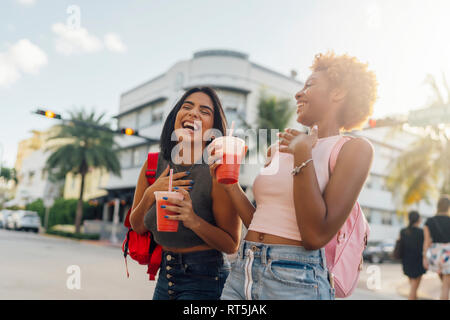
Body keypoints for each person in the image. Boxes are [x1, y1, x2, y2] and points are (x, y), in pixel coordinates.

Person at [214, 51, 377, 300]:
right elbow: (260, 220)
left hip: (295, 279)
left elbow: (315, 236)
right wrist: (230, 185)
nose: (298, 93)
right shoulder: (278, 148)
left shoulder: (353, 149)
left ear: (338, 93)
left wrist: (303, 153)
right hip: (243, 271)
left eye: (309, 85)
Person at [129, 87, 242, 300]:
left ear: (212, 130)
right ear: (176, 117)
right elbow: (137, 225)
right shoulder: (154, 164)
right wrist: (151, 193)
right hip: (165, 275)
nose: (193, 113)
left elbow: (231, 244)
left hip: (206, 279)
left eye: (205, 111)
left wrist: (192, 220)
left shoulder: (217, 169)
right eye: (187, 107)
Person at [423, 195, 450, 300]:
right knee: (446, 285)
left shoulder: (429, 221)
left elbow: (426, 242)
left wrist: (424, 258)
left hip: (435, 255)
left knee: (445, 283)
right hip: (448, 255)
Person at [397, 211, 426, 300]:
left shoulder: (403, 231)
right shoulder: (422, 232)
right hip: (418, 263)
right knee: (413, 289)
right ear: (419, 219)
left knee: (413, 289)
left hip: (406, 262)